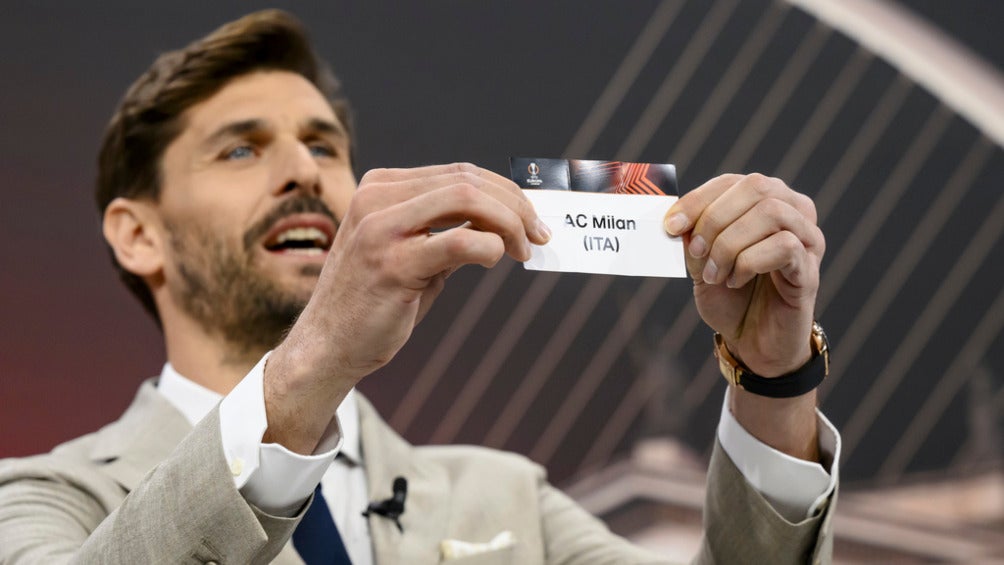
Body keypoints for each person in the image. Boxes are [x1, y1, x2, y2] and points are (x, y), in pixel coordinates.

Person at [0, 10, 838, 564]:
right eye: (241, 149)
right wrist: (316, 361)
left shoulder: (508, 497)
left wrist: (774, 382)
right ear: (137, 234)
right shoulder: (43, 496)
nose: (304, 171)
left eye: (323, 146)